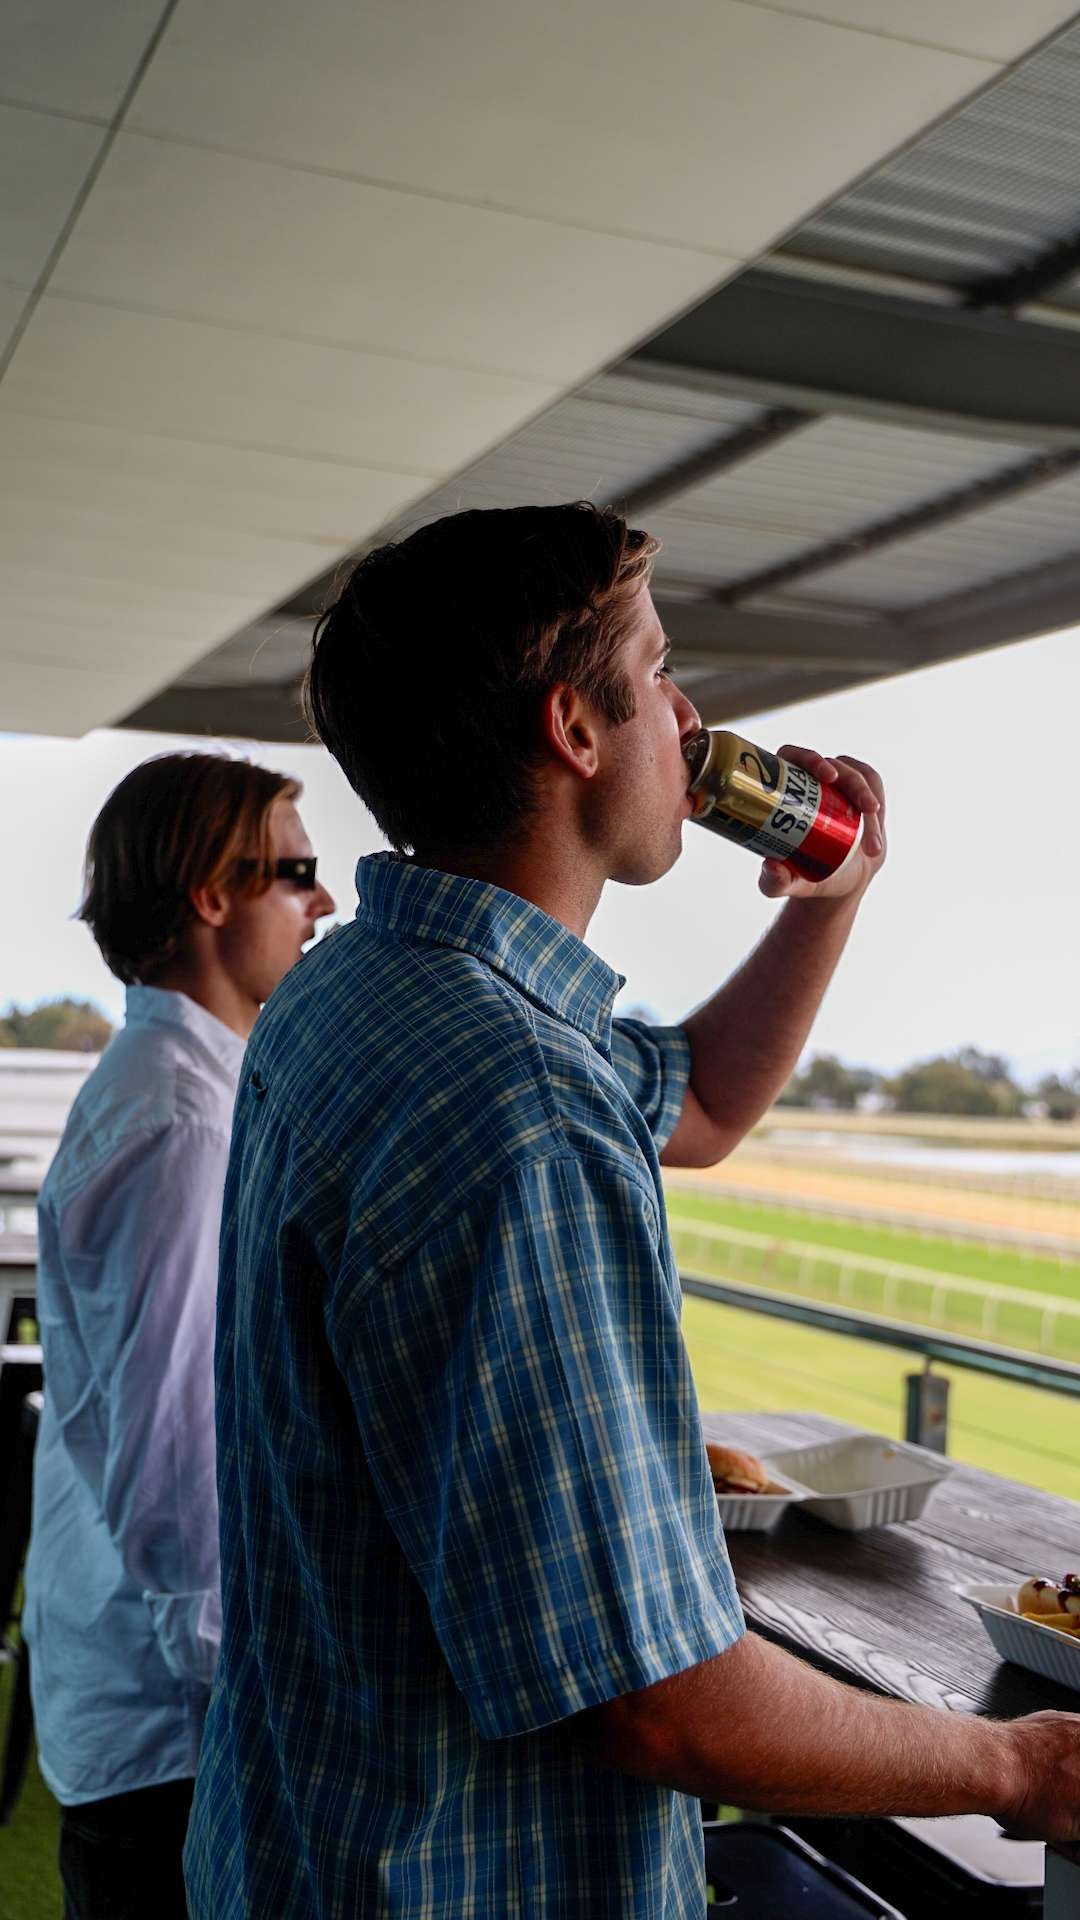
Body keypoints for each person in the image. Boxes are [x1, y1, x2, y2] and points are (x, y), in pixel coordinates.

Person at [185, 504, 1080, 1920]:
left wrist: (828, 899)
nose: (690, 713)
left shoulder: (362, 992)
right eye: (657, 671)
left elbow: (705, 1107)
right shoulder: (520, 1102)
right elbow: (661, 1704)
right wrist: (1018, 1768)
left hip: (307, 1842)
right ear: (575, 732)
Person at [24, 751, 334, 1920]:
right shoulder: (187, 1127)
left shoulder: (182, 1087)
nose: (325, 901)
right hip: (176, 1728)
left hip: (140, 1690)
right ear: (212, 892)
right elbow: (172, 1469)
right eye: (295, 873)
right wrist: (252, 1714)